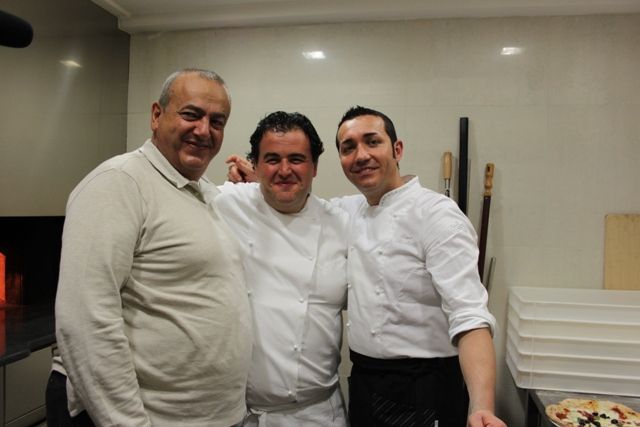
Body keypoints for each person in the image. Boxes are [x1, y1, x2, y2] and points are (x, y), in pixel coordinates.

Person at [47, 68, 252, 427]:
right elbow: (84, 320)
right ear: (157, 115)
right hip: (144, 416)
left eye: (217, 121)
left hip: (207, 416)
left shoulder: (205, 193)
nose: (204, 130)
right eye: (191, 114)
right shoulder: (118, 183)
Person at [334, 106, 505, 427]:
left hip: (423, 389)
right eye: (348, 147)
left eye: (373, 141)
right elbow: (297, 202)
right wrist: (255, 182)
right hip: (365, 382)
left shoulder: (437, 215)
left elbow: (469, 315)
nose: (361, 155)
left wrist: (482, 406)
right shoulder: (347, 210)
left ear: (397, 149)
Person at [215, 111, 349, 427]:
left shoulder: (341, 223)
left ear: (315, 167)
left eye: (297, 159)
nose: (284, 170)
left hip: (316, 414)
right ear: (256, 165)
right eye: (272, 159)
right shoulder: (224, 202)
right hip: (238, 414)